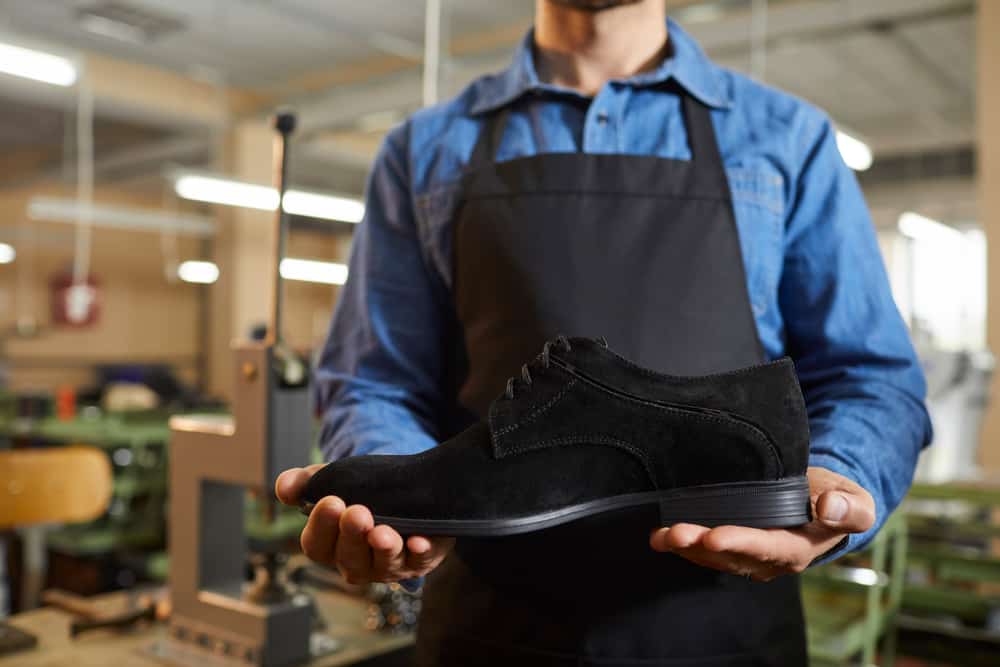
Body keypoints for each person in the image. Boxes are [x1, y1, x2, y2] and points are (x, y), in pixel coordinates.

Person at [276, 0, 932, 664]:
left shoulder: (789, 138)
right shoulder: (423, 150)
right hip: (489, 628)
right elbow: (375, 379)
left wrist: (834, 481)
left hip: (726, 632)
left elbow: (868, 375)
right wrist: (406, 503)